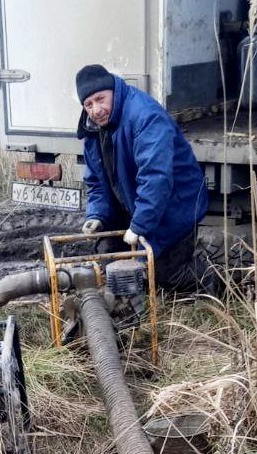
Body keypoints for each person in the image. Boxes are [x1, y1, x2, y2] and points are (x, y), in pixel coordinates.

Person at [76, 64, 218, 295]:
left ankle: (213, 282)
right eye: (88, 104)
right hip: (135, 204)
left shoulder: (145, 116)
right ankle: (129, 306)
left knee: (166, 272)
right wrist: (97, 215)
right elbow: (96, 181)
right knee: (108, 253)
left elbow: (156, 178)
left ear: (112, 89)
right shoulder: (93, 130)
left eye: (100, 99)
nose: (96, 109)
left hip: (174, 205)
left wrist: (140, 225)